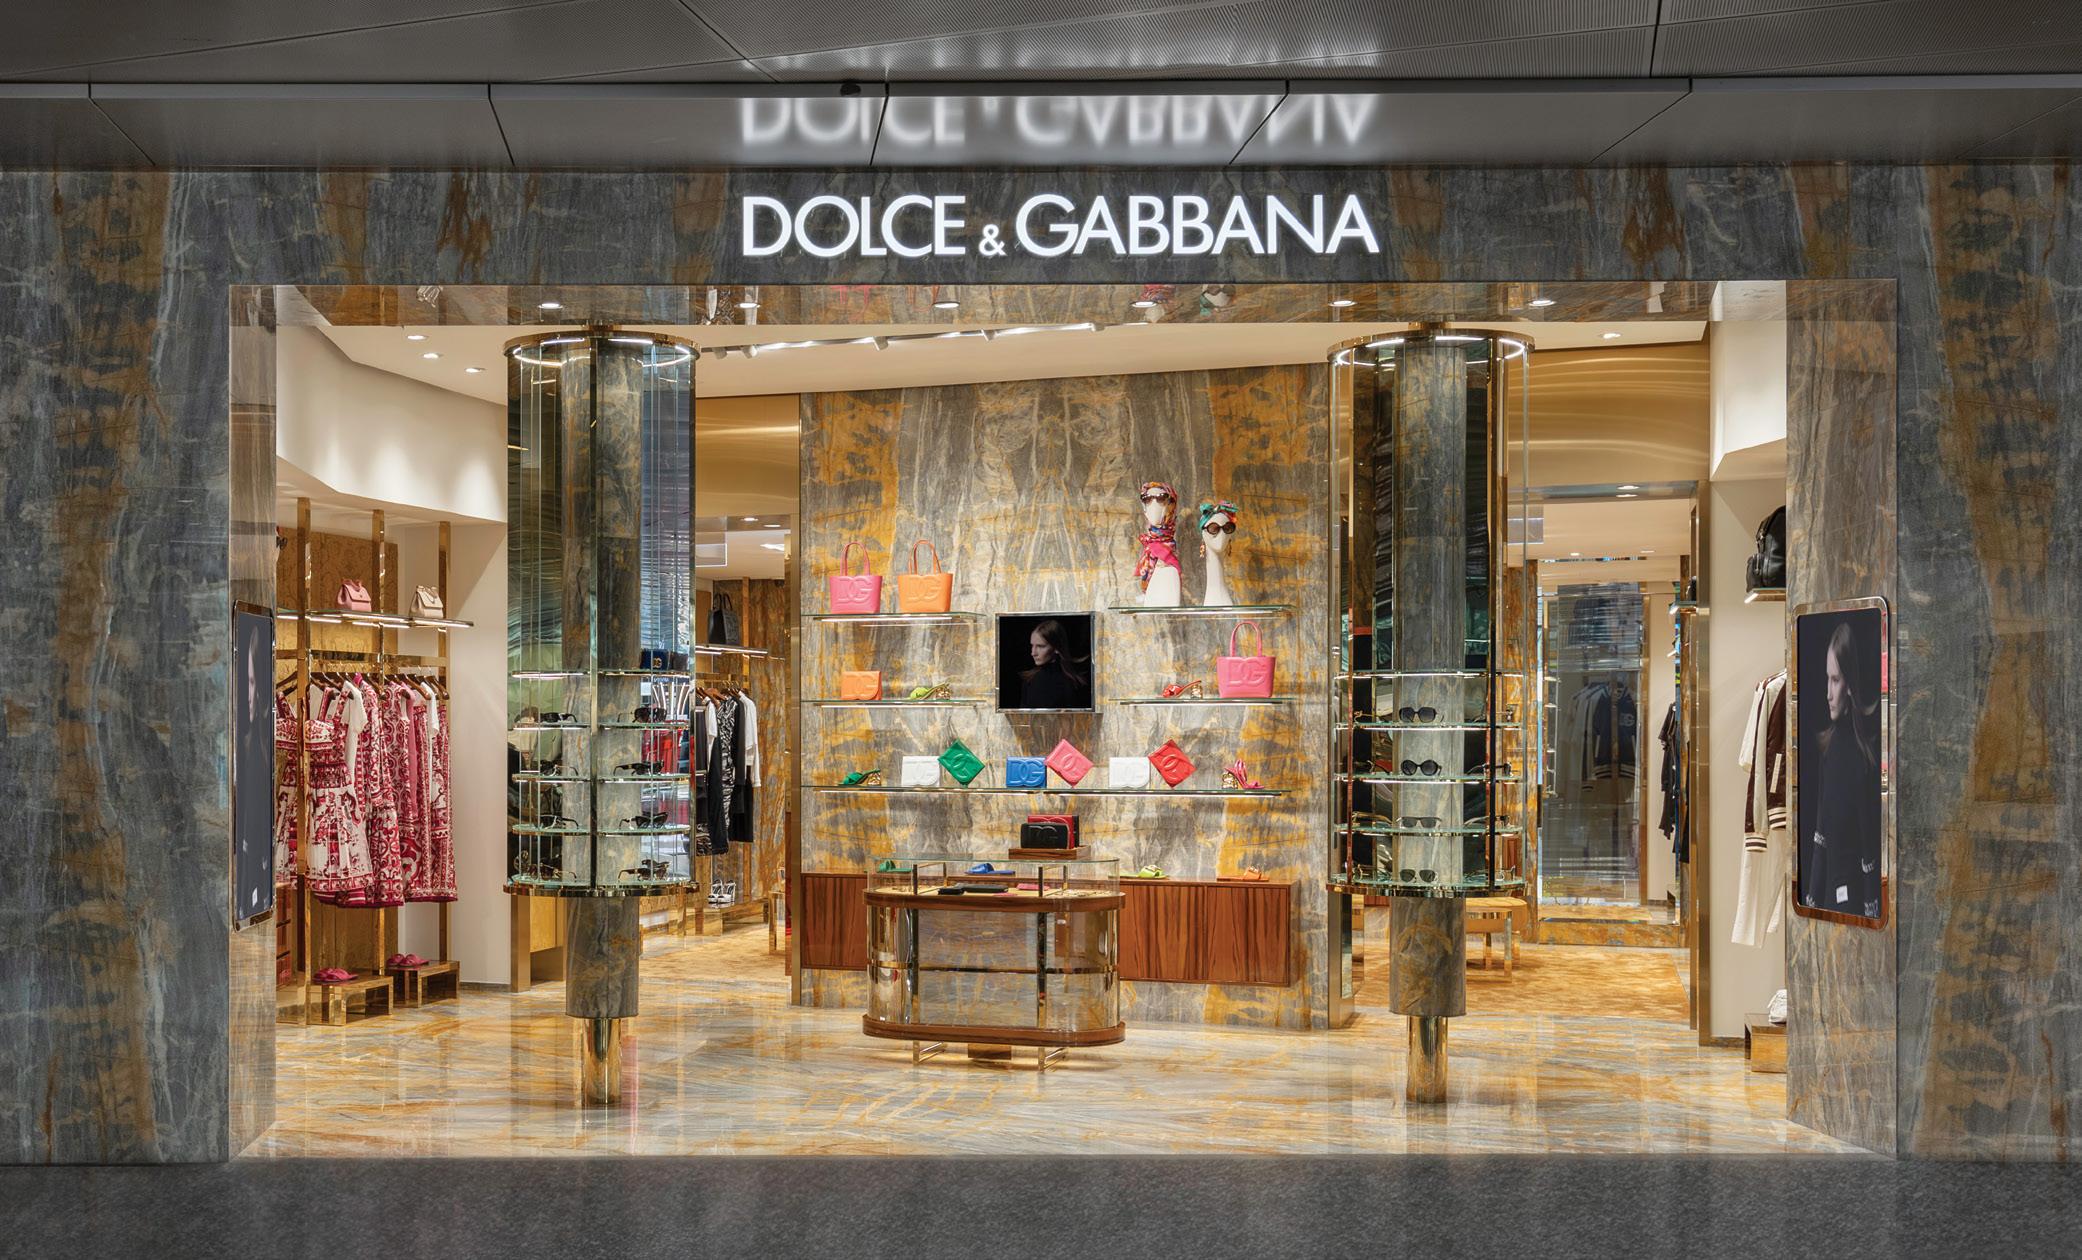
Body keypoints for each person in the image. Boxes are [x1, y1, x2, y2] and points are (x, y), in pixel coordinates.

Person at [1806, 619, 1882, 918]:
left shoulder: (1864, 759)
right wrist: (1812, 899)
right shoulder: (1829, 748)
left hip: (1851, 906)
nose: (1828, 692)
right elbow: (1820, 834)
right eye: (1828, 679)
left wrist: (1870, 907)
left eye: (1835, 680)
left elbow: (1868, 847)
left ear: (1849, 684)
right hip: (1828, 898)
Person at [1020, 618, 1091, 709]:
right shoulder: (1029, 680)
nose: (1033, 653)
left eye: (1040, 646)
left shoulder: (1075, 684)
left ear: (1056, 648)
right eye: (1032, 645)